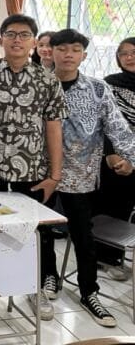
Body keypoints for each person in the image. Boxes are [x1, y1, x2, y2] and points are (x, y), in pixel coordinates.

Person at [0, 14, 67, 320]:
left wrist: (55, 175)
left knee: (37, 233)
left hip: (32, 171)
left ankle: (37, 288)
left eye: (24, 35)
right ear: (1, 40)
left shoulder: (48, 80)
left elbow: (53, 128)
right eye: (11, 34)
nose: (17, 40)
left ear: (34, 41)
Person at [46, 29, 135, 327]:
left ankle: (89, 291)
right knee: (42, 232)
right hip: (40, 174)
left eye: (75, 49)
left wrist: (132, 159)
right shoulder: (39, 84)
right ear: (51, 52)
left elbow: (118, 128)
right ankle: (48, 277)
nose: (68, 54)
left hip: (80, 176)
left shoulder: (98, 89)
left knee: (83, 236)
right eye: (62, 48)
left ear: (83, 55)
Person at [95, 36, 135, 280]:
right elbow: (103, 121)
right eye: (124, 53)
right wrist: (111, 153)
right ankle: (107, 258)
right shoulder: (109, 84)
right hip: (114, 158)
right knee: (111, 207)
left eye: (134, 52)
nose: (129, 57)